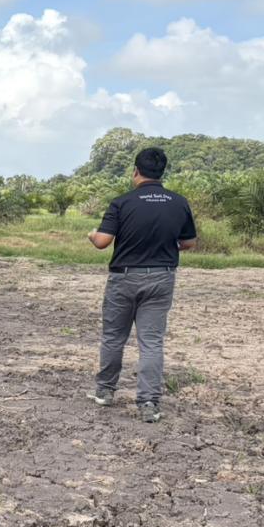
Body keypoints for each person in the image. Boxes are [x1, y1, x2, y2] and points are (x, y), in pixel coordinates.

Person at [87, 147, 198, 423]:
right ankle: (149, 402)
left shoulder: (122, 203)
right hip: (161, 277)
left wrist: (91, 234)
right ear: (162, 172)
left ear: (135, 171)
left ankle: (105, 391)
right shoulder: (178, 202)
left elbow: (102, 242)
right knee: (151, 342)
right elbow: (188, 243)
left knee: (114, 336)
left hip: (123, 277)